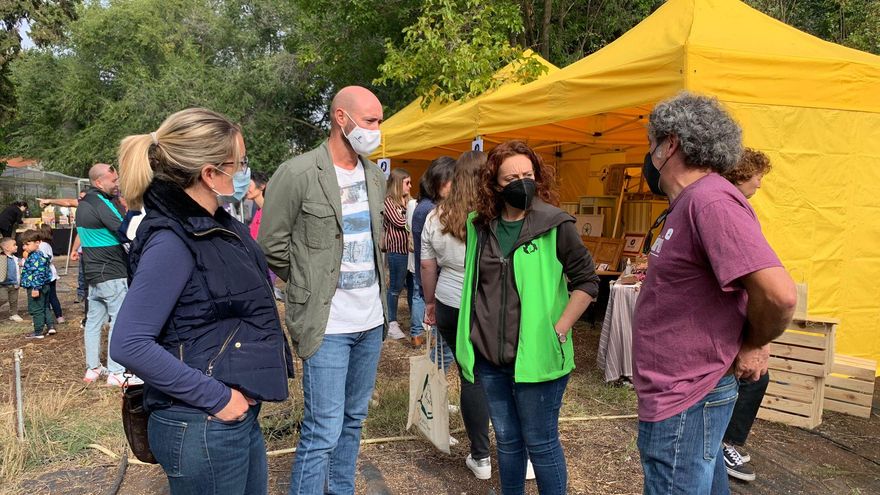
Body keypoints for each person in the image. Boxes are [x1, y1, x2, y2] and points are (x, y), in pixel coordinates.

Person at [110, 108, 293, 494]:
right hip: (203, 421)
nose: (245, 171)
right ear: (210, 174)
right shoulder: (172, 241)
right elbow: (129, 342)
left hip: (227, 418)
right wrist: (218, 398)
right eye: (240, 162)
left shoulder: (214, 227)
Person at [633, 92, 797, 495]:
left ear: (670, 144)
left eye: (653, 143)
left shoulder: (710, 201)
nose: (650, 154)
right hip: (683, 392)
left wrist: (755, 342)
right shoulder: (692, 202)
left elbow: (778, 295)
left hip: (687, 395)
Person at [258, 86, 388, 495]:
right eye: (370, 121)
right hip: (327, 324)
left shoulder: (373, 175)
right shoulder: (297, 173)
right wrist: (306, 282)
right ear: (341, 118)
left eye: (379, 121)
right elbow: (272, 244)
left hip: (372, 320)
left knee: (353, 421)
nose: (376, 130)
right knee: (323, 430)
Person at [456, 141, 599, 494]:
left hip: (537, 356)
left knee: (541, 442)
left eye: (528, 175)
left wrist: (560, 328)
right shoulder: (480, 226)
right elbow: (476, 283)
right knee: (506, 440)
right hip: (491, 357)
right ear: (495, 184)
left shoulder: (555, 224)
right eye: (512, 177)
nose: (522, 182)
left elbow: (587, 281)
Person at [421, 151, 493, 479]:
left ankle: (481, 456)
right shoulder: (494, 214)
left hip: (449, 301)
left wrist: (429, 302)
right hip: (492, 304)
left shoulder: (436, 217)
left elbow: (426, 265)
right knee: (507, 377)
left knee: (471, 375)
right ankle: (521, 453)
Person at [717, 148, 774, 482]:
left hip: (731, 314)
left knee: (752, 376)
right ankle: (726, 443)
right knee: (752, 377)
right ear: (742, 174)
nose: (760, 184)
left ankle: (724, 441)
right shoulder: (728, 211)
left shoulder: (729, 207)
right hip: (725, 319)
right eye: (758, 176)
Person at [76, 163, 132, 386]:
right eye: (114, 180)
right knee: (119, 319)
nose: (117, 184)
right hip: (111, 271)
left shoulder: (84, 203)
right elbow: (124, 229)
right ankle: (116, 372)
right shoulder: (101, 202)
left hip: (93, 272)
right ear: (99, 182)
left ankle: (93, 369)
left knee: (93, 321)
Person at [413, 156, 456, 356]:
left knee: (443, 350)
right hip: (439, 285)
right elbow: (428, 262)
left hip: (438, 285)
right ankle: (428, 387)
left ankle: (428, 386)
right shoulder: (432, 211)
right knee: (443, 351)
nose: (452, 185)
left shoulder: (425, 207)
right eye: (448, 180)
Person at [382, 168, 414, 340]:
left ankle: (413, 320)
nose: (410, 186)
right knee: (395, 288)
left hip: (410, 252)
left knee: (412, 287)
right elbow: (401, 222)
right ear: (397, 184)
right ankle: (391, 322)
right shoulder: (388, 202)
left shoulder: (408, 201)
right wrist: (413, 219)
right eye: (407, 183)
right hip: (397, 252)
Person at [245, 170, 283, 301]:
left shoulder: (273, 212)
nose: (246, 189)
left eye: (249, 185)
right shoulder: (258, 212)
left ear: (261, 186)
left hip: (268, 265)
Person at [19, 229, 55, 339]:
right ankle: (50, 326)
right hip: (45, 286)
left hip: (36, 287)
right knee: (45, 307)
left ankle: (38, 332)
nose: (24, 247)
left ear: (38, 242)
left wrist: (35, 288)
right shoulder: (40, 255)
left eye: (27, 244)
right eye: (23, 244)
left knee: (36, 309)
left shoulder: (35, 258)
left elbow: (38, 274)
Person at [404, 193, 425, 347]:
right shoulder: (432, 208)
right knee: (423, 294)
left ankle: (416, 334)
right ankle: (423, 328)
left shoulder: (412, 205)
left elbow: (406, 226)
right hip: (427, 257)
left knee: (417, 294)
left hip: (414, 256)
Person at [37, 225, 64, 324]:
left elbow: (43, 260)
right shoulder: (47, 244)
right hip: (52, 274)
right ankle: (59, 316)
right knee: (53, 296)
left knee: (46, 298)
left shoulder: (41, 246)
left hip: (46, 275)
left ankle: (48, 319)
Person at [0, 237, 23, 321]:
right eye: (14, 245)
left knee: (14, 300)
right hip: (3, 285)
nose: (16, 246)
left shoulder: (15, 258)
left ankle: (14, 314)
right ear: (6, 248)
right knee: (3, 298)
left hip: (14, 283)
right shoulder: (1, 258)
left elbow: (19, 267)